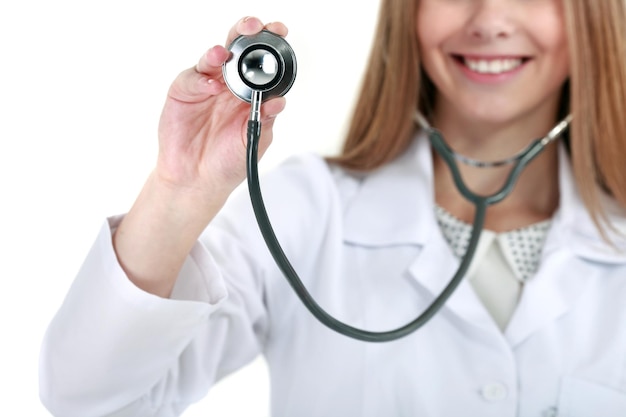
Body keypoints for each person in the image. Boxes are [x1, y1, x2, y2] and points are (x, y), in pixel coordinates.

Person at [40, 0, 626, 416]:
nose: (491, 19)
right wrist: (179, 188)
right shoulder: (308, 211)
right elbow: (89, 399)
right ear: (410, 13)